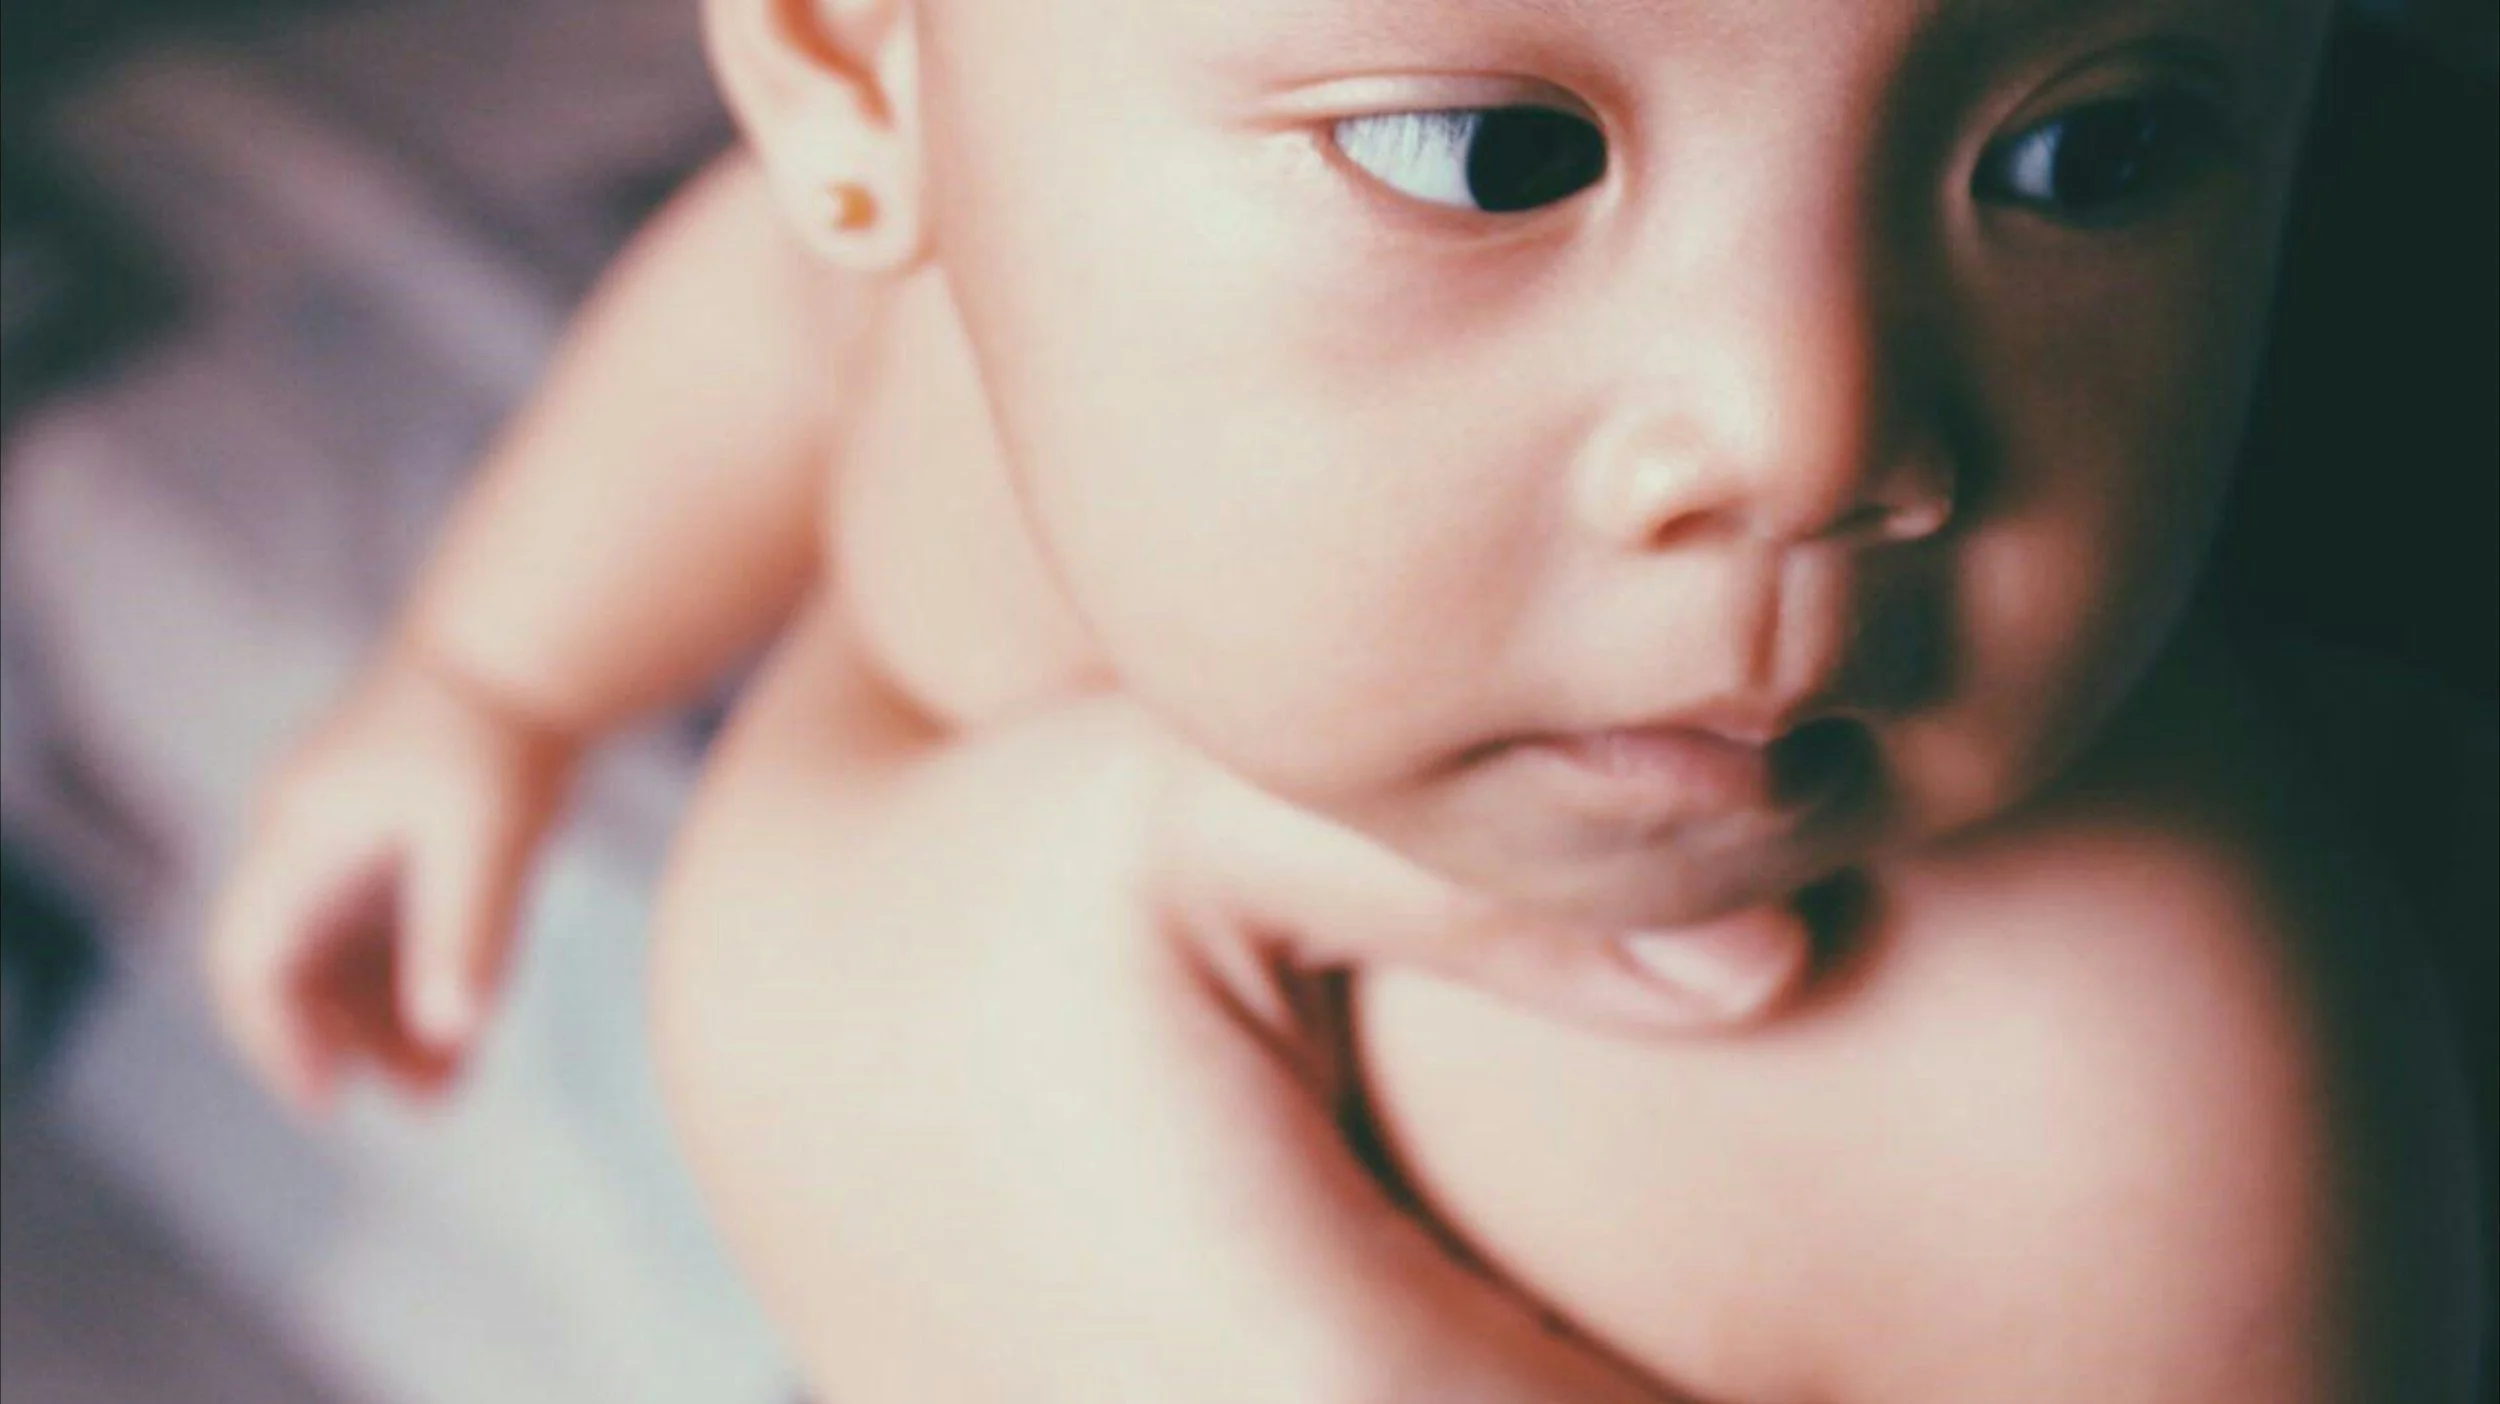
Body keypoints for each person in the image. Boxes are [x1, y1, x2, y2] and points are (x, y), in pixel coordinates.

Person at [212, 0, 2494, 1399]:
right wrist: (483, 684)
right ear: (862, 74)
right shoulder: (985, 299)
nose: (1812, 427)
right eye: (1485, 150)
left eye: (2086, 151)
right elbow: (775, 323)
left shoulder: (2129, 1120)